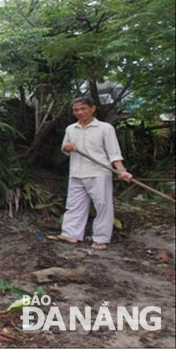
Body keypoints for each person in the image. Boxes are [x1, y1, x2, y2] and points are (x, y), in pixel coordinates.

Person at [48, 97, 133, 250]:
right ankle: (70, 234)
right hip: (76, 172)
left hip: (99, 172)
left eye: (83, 109)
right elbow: (64, 148)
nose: (80, 112)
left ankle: (100, 239)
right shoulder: (70, 129)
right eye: (76, 110)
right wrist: (67, 147)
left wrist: (122, 171)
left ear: (92, 108)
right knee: (74, 205)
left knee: (102, 206)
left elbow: (114, 153)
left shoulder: (105, 128)